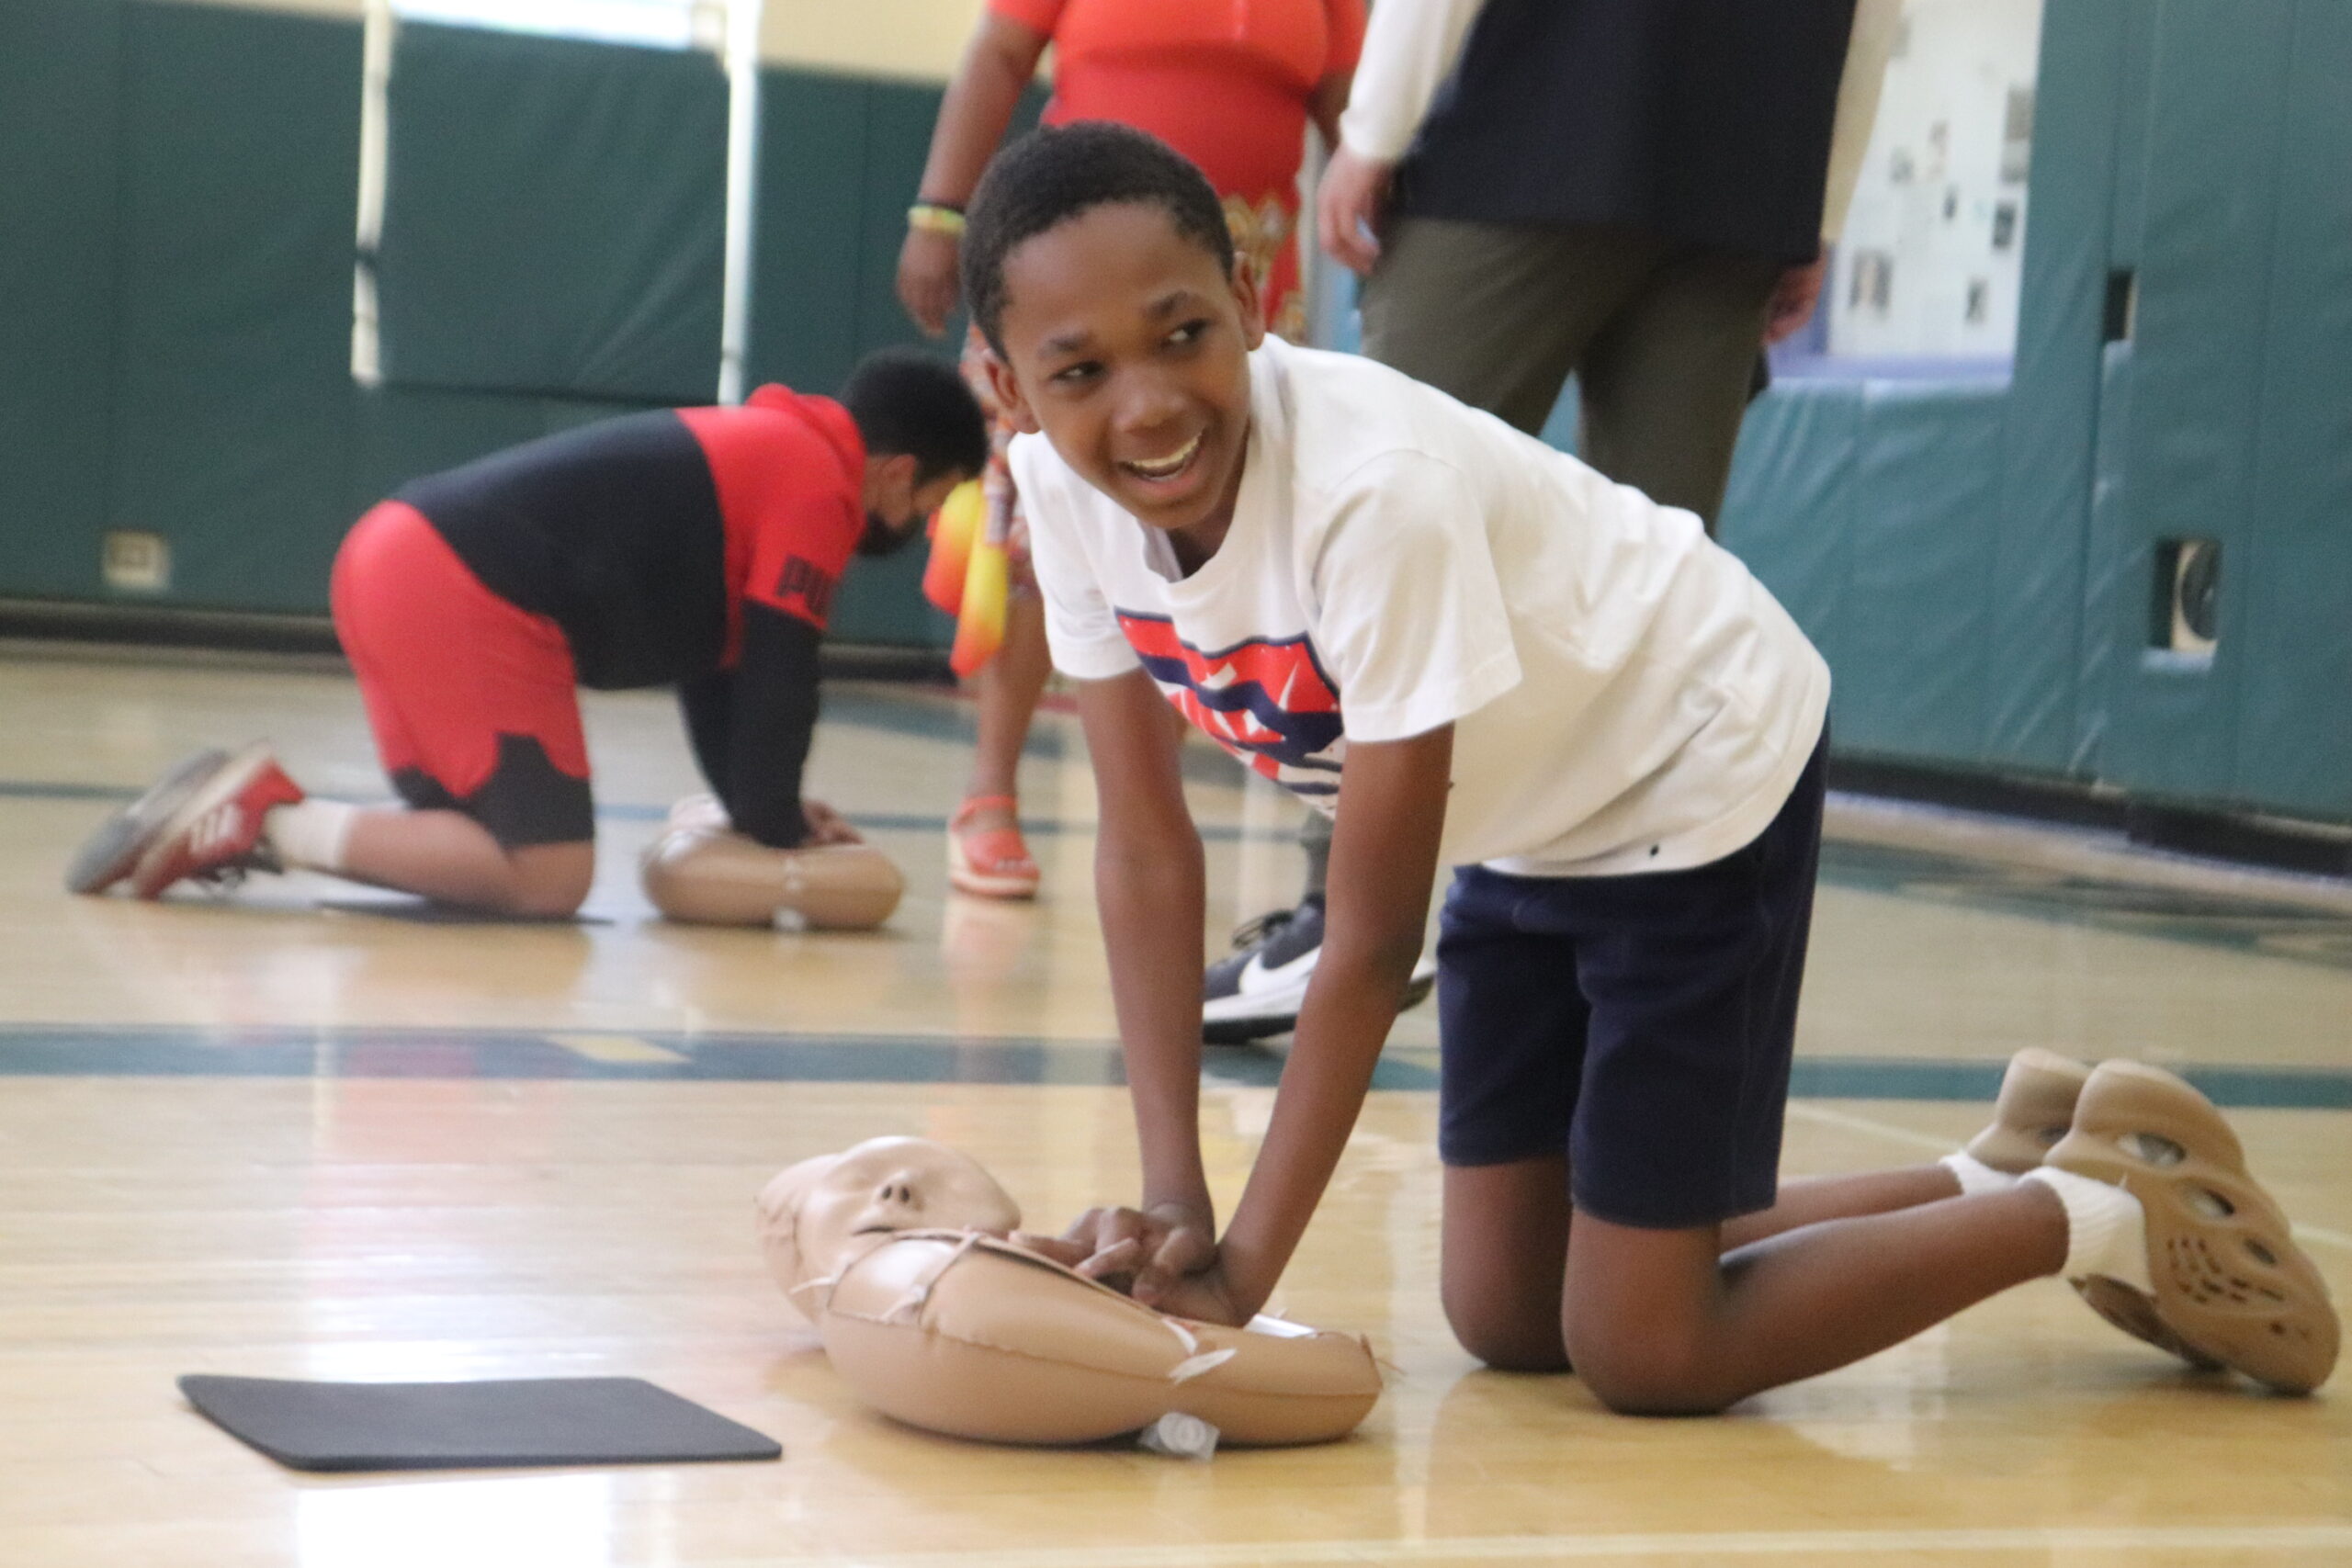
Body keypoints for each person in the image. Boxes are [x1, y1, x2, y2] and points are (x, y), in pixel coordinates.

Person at [954, 123, 2337, 1410]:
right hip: (1528, 824)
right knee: (1509, 1312)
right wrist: (1173, 1194)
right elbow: (1143, 847)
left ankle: (2107, 1212)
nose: (1145, 403)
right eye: (1080, 370)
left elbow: (1371, 942)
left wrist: (1243, 1269)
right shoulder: (1065, 501)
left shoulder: (1371, 498)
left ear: (1253, 300)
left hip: (1690, 767)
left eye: (1182, 333)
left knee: (1646, 1345)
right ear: (1014, 387)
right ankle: (2003, 1162)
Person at [1206, 0, 1902, 1041]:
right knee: (1658, 588)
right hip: (1744, 166)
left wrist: (1372, 135)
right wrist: (1820, 205)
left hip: (1527, 131)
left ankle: (1338, 918)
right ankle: (1617, 936)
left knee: (1371, 517)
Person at [68, 351, 986, 920]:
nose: (920, 527)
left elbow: (729, 676)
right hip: (457, 586)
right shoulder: (815, 482)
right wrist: (781, 830)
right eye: (935, 503)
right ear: (898, 472)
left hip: (391, 558)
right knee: (548, 876)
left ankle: (245, 822)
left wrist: (764, 815)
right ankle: (265, 820)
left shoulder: (768, 449)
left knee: (471, 848)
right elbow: (785, 674)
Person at [896, 0, 1365, 900]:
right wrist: (940, 212)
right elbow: (997, 53)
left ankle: (1153, 803)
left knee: (1209, 539)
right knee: (1035, 535)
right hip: (1067, 284)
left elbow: (1350, 112)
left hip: (1239, 275)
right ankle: (989, 789)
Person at [756, 1136, 1383, 1447]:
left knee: (1486, 1321)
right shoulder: (917, 1299)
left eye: (909, 1171)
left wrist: (1212, 1252)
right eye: (859, 1189)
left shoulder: (984, 1288)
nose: (894, 1190)